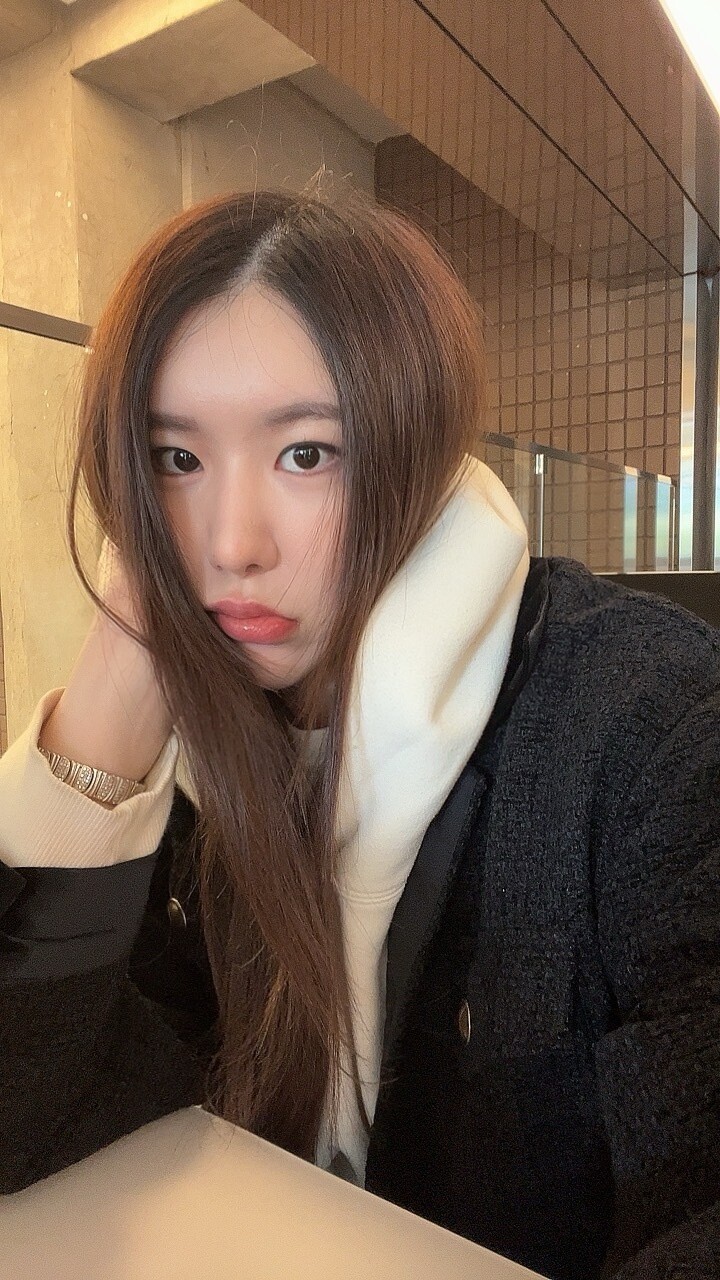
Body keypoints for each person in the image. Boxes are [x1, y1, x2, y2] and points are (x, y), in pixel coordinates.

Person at [0, 189, 718, 1280]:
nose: (230, 545)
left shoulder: (646, 721)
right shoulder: (202, 753)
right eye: (175, 460)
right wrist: (99, 728)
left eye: (306, 453)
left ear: (415, 444)